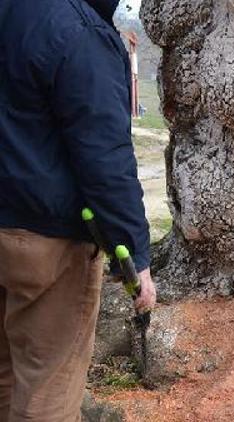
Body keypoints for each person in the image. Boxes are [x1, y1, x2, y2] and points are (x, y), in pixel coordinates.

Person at [0, 0, 157, 420]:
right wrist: (135, 256)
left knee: (4, 376)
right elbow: (105, 160)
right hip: (48, 245)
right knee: (46, 391)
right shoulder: (81, 33)